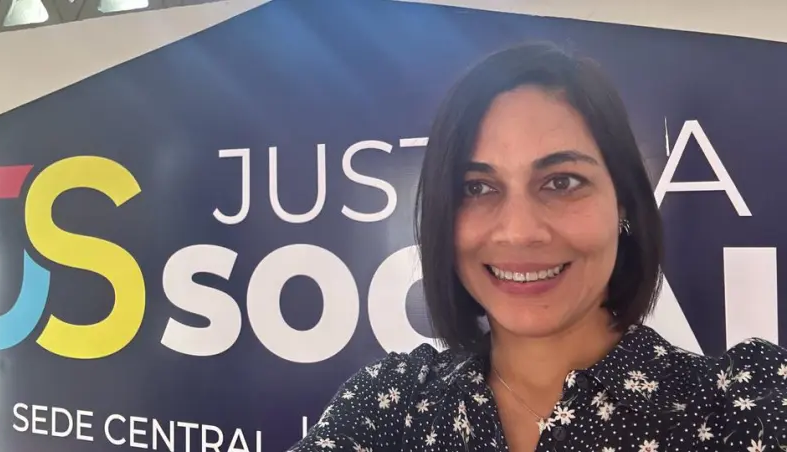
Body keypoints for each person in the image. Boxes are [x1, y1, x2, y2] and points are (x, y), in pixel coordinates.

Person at [287, 42, 787, 452]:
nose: (520, 232)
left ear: (623, 203)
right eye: (477, 187)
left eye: (562, 182)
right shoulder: (389, 407)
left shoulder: (742, 405)